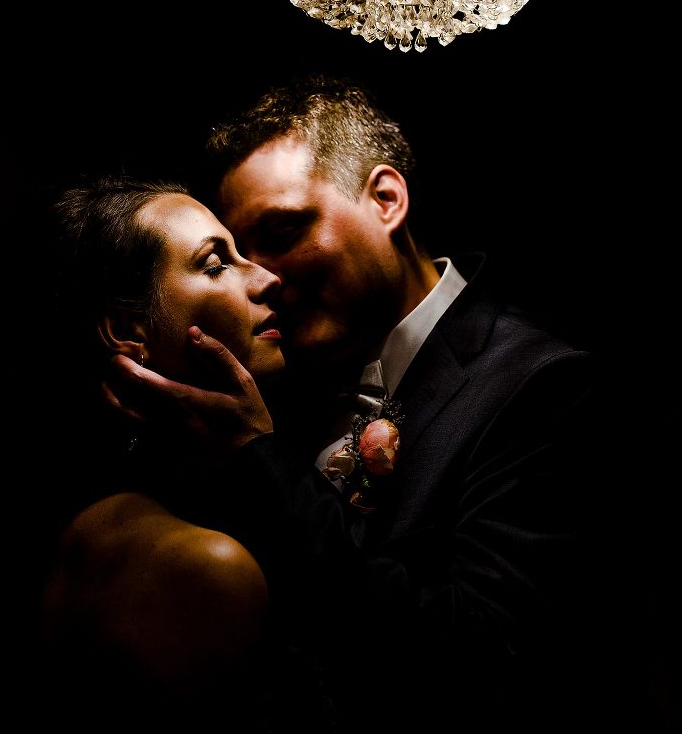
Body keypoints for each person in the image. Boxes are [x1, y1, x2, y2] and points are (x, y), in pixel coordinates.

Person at [104, 76, 609, 732]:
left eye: (284, 230)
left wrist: (261, 460)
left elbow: (488, 668)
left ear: (386, 199)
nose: (264, 277)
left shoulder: (542, 385)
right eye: (239, 253)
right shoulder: (280, 380)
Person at [35, 175, 337, 728]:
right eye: (216, 263)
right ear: (130, 330)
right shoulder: (200, 568)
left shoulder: (93, 515)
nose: (268, 279)